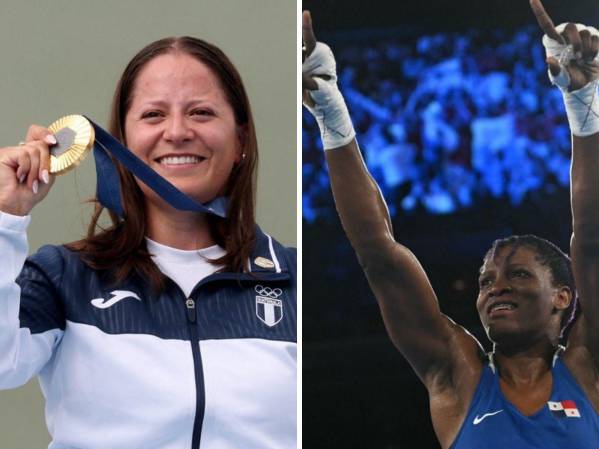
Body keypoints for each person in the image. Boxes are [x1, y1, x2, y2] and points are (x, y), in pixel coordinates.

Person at [302, 1, 599, 447]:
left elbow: (593, 240)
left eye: (518, 274)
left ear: (563, 295)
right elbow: (378, 254)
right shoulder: (457, 377)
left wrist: (584, 104)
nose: (496, 287)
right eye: (486, 281)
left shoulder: (588, 366)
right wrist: (329, 112)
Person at [0, 36, 296, 449]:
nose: (176, 132)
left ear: (241, 143)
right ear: (121, 143)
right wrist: (4, 218)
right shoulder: (65, 276)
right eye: (153, 114)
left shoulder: (294, 282)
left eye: (201, 112)